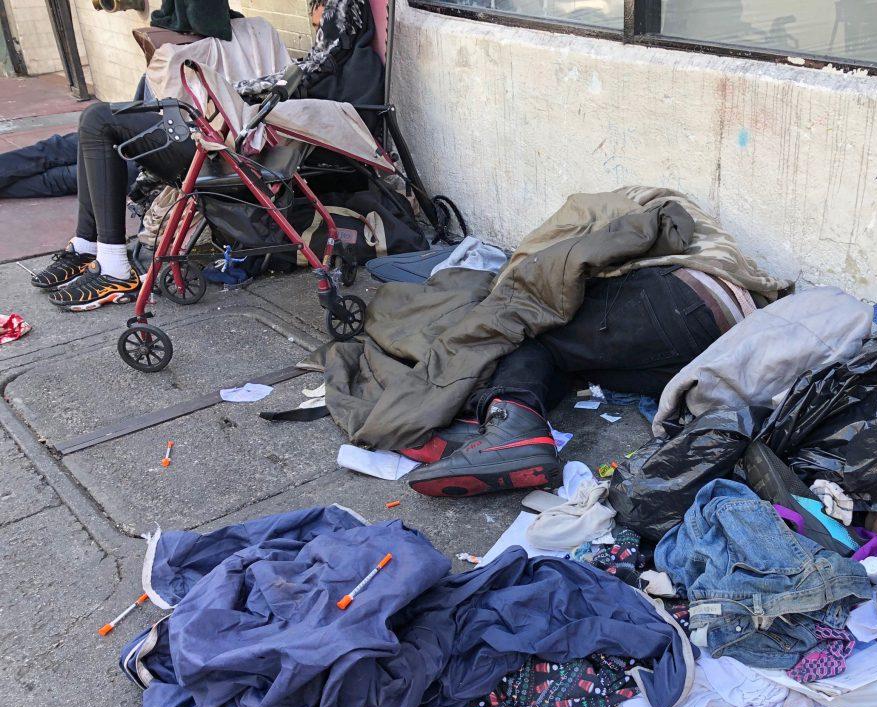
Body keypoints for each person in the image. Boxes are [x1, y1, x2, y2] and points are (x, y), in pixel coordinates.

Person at [27, 0, 375, 309]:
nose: (312, 24)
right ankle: (90, 246)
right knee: (97, 124)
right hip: (232, 140)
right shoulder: (326, 47)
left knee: (98, 121)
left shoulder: (340, 53)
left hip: (234, 151)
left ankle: (111, 262)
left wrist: (233, 90)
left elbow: (299, 81)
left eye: (316, 23)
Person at [404, 265, 761, 497]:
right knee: (570, 361)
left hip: (689, 300)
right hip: (719, 345)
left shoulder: (518, 277)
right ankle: (494, 425)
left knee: (528, 330)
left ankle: (511, 424)